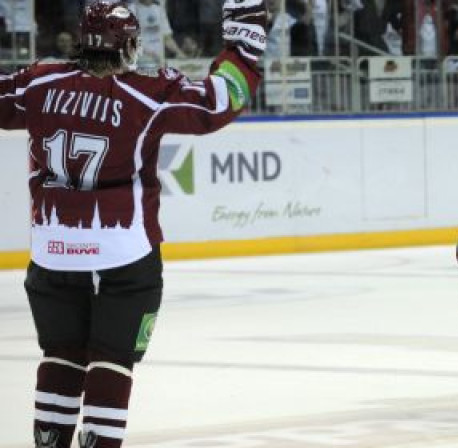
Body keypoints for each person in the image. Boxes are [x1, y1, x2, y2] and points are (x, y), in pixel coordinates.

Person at [0, 1, 268, 447]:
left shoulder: (39, 82)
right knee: (112, 358)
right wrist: (244, 45)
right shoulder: (149, 91)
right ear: (127, 46)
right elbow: (220, 101)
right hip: (125, 251)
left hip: (52, 249)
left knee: (61, 354)